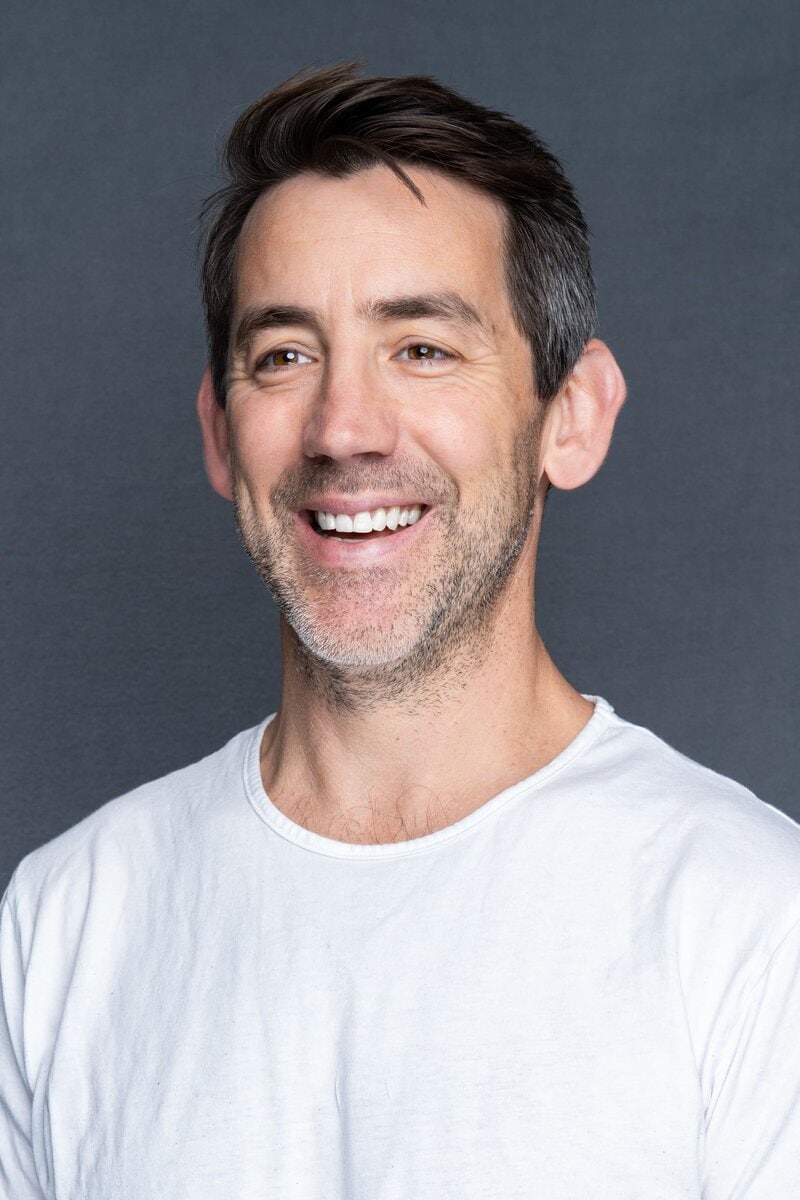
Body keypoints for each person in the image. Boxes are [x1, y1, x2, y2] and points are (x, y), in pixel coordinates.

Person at [1, 62, 798, 1200]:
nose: (342, 428)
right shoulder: (64, 926)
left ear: (568, 417)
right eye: (283, 356)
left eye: (421, 346)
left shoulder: (754, 925)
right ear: (221, 436)